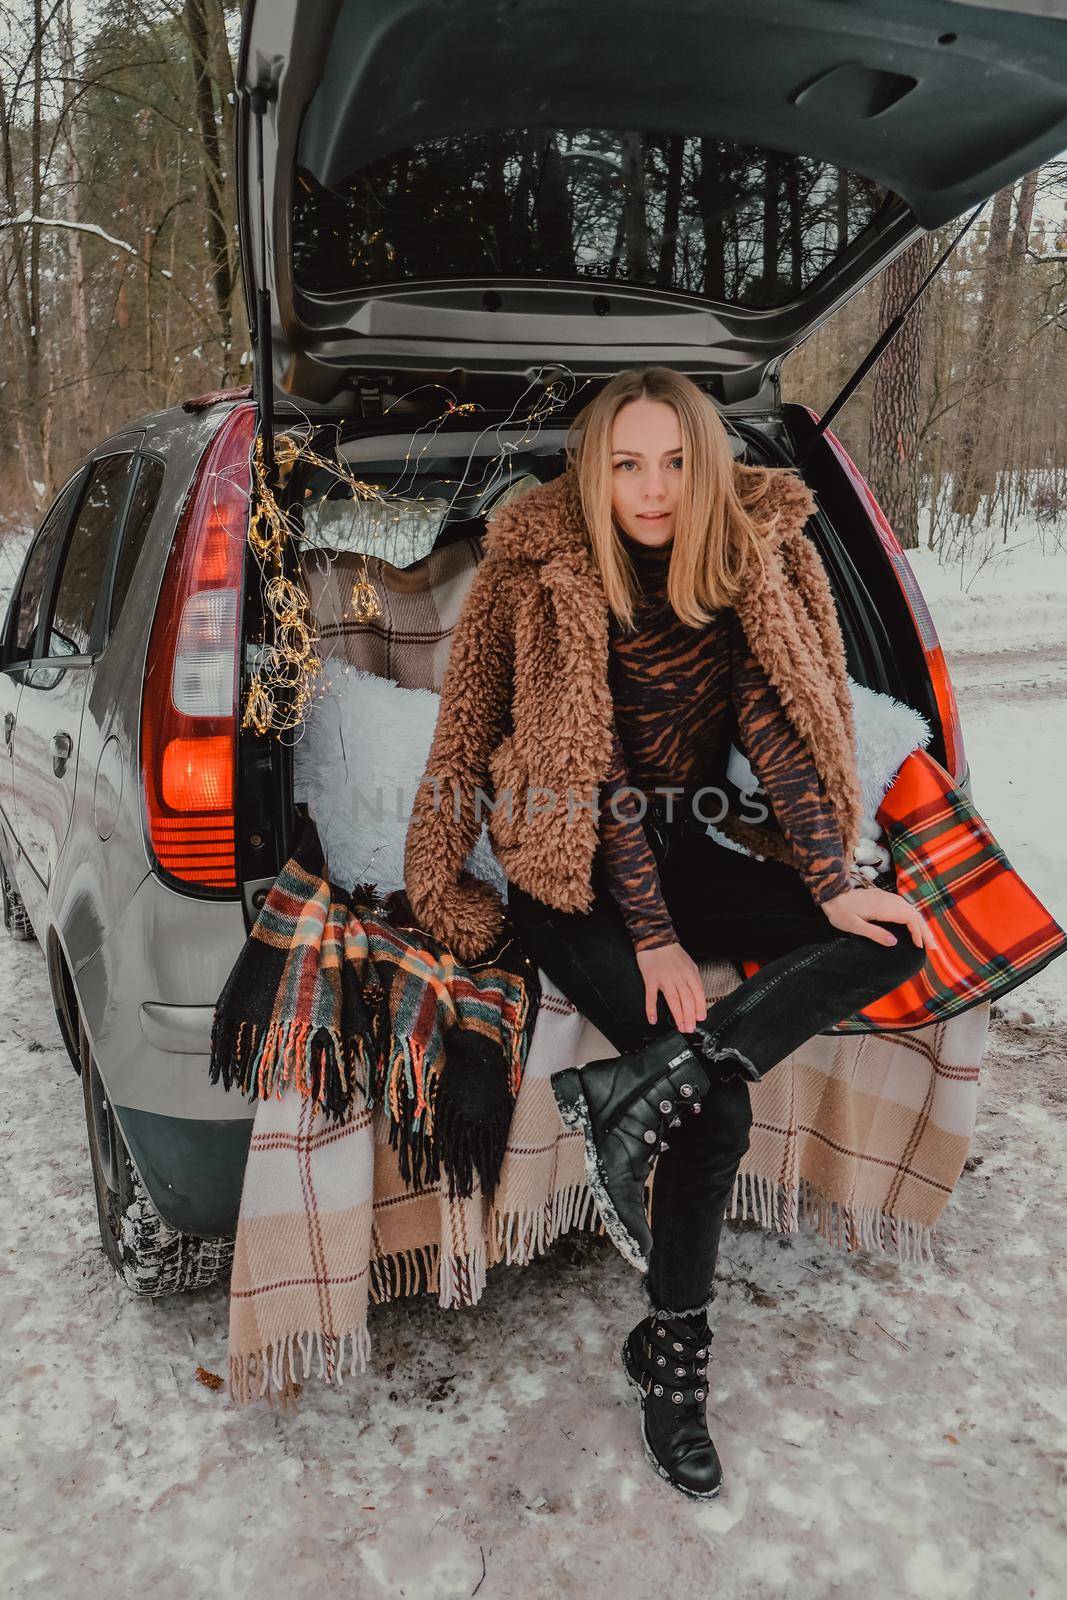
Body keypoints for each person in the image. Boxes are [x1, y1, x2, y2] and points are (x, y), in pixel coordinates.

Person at [403, 366, 935, 1501]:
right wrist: (638, 936)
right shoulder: (535, 572)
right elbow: (526, 755)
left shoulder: (734, 566)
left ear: (705, 468)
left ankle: (639, 1088)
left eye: (676, 461)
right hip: (565, 865)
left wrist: (831, 876)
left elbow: (782, 724)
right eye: (627, 463)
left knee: (891, 936)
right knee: (719, 1105)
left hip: (684, 848)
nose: (651, 488)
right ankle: (673, 1363)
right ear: (594, 471)